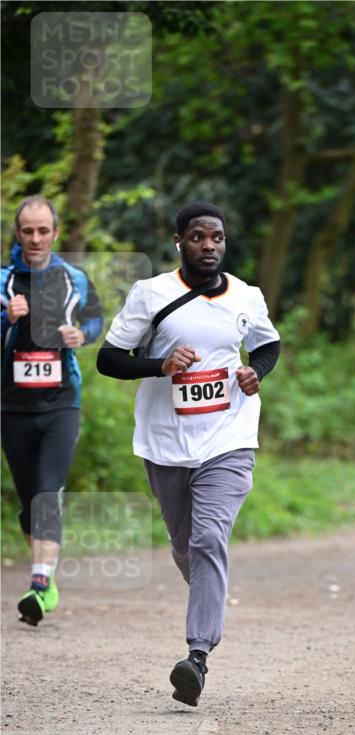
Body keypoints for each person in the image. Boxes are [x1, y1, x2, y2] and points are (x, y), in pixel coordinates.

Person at [97, 201, 280, 708]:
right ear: (180, 241)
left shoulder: (246, 296)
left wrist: (254, 373)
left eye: (216, 238)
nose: (208, 246)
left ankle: (197, 655)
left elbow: (267, 346)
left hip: (229, 437)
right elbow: (109, 359)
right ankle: (207, 593)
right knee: (186, 547)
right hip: (166, 442)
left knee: (207, 538)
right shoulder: (151, 293)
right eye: (198, 237)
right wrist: (159, 366)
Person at [1, 195, 104, 626]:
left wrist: (82, 334)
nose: (36, 238)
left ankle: (40, 584)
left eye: (44, 230)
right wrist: (7, 318)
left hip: (62, 402)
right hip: (13, 406)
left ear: (56, 233)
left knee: (48, 493)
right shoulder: (4, 281)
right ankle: (46, 578)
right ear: (19, 233)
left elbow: (96, 320)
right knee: (29, 504)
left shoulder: (74, 278)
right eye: (29, 231)